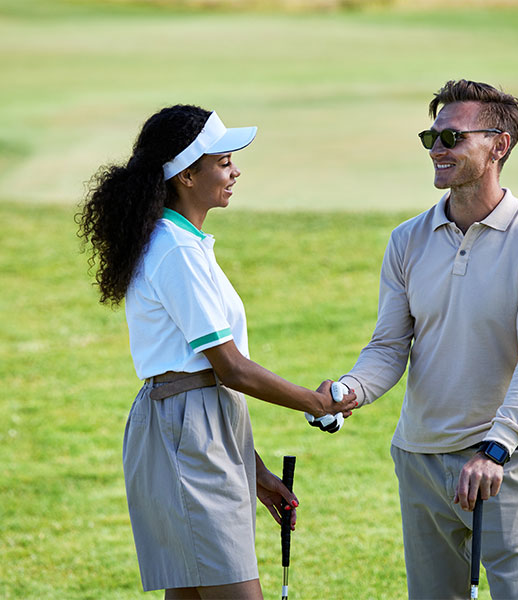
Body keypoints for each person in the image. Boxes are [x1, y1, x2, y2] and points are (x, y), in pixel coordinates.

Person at [76, 105, 356, 599]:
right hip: (186, 432)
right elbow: (228, 368)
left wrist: (254, 470)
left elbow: (208, 383)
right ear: (187, 174)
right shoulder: (177, 251)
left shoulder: (181, 242)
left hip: (192, 427)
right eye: (223, 162)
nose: (235, 171)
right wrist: (316, 404)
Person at [336, 80, 518, 599]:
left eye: (452, 137)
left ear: (498, 146)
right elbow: (390, 346)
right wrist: (350, 389)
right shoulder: (407, 239)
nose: (437, 149)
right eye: (432, 137)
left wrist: (496, 448)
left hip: (499, 463)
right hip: (418, 460)